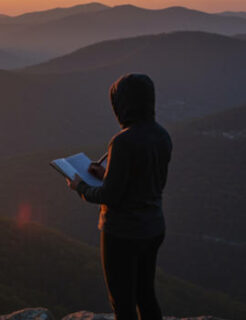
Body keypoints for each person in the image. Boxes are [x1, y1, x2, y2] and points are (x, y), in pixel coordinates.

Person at [67, 73, 171, 320]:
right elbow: (146, 183)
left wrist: (80, 186)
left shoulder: (123, 141)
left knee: (122, 301)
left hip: (122, 233)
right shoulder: (162, 135)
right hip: (154, 227)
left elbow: (110, 197)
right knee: (146, 295)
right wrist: (107, 174)